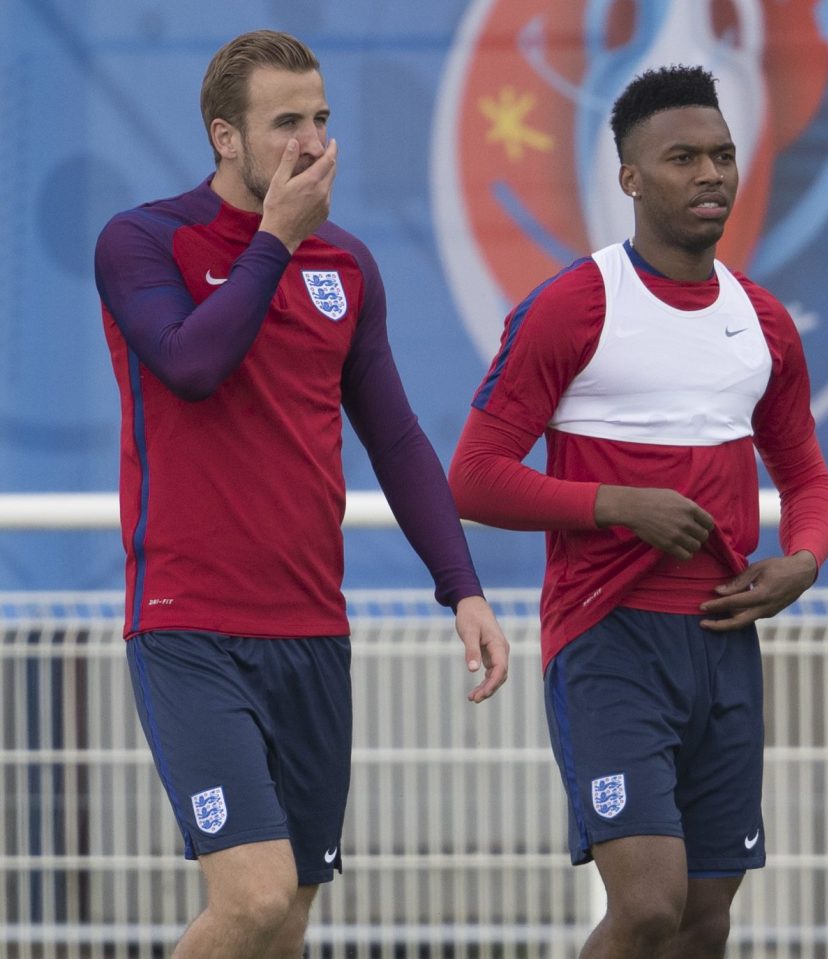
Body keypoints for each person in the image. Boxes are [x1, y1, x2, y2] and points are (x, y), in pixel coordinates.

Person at [95, 29, 508, 959]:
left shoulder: (349, 266)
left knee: (286, 921)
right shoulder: (142, 240)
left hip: (314, 630)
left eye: (321, 119)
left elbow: (396, 438)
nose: (312, 142)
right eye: (286, 123)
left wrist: (464, 586)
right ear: (224, 138)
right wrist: (275, 240)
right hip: (189, 622)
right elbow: (193, 364)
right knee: (251, 896)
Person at [449, 65, 828, 958]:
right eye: (683, 158)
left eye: (724, 156)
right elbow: (472, 477)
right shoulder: (574, 305)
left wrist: (804, 559)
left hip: (724, 644)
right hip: (610, 637)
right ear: (628, 178)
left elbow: (807, 475)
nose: (711, 174)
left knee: (705, 922)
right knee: (652, 904)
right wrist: (619, 505)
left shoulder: (762, 321)